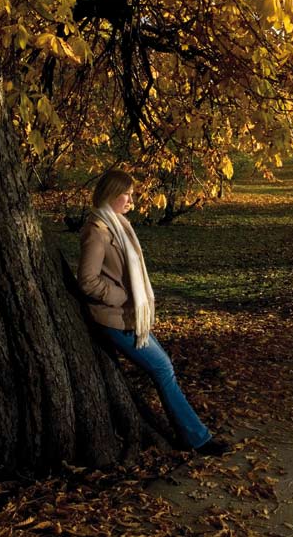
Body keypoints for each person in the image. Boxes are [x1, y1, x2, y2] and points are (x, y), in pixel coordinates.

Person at [77, 169, 229, 457]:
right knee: (162, 369)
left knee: (164, 367)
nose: (131, 200)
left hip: (130, 316)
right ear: (111, 194)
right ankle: (197, 438)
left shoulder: (118, 225)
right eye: (127, 194)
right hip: (114, 317)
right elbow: (87, 280)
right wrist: (123, 296)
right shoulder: (97, 231)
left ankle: (193, 435)